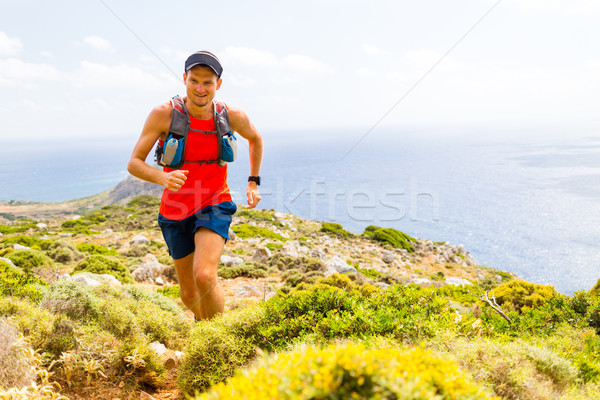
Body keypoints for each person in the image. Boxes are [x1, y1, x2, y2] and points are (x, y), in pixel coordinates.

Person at [127, 51, 263, 320]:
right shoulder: (163, 114)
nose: (200, 88)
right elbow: (134, 163)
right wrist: (162, 177)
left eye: (208, 82)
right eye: (194, 81)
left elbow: (255, 139)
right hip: (175, 209)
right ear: (184, 80)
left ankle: (219, 343)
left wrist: (253, 181)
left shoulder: (231, 116)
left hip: (214, 201)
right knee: (188, 294)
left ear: (218, 85)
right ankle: (206, 329)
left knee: (204, 274)